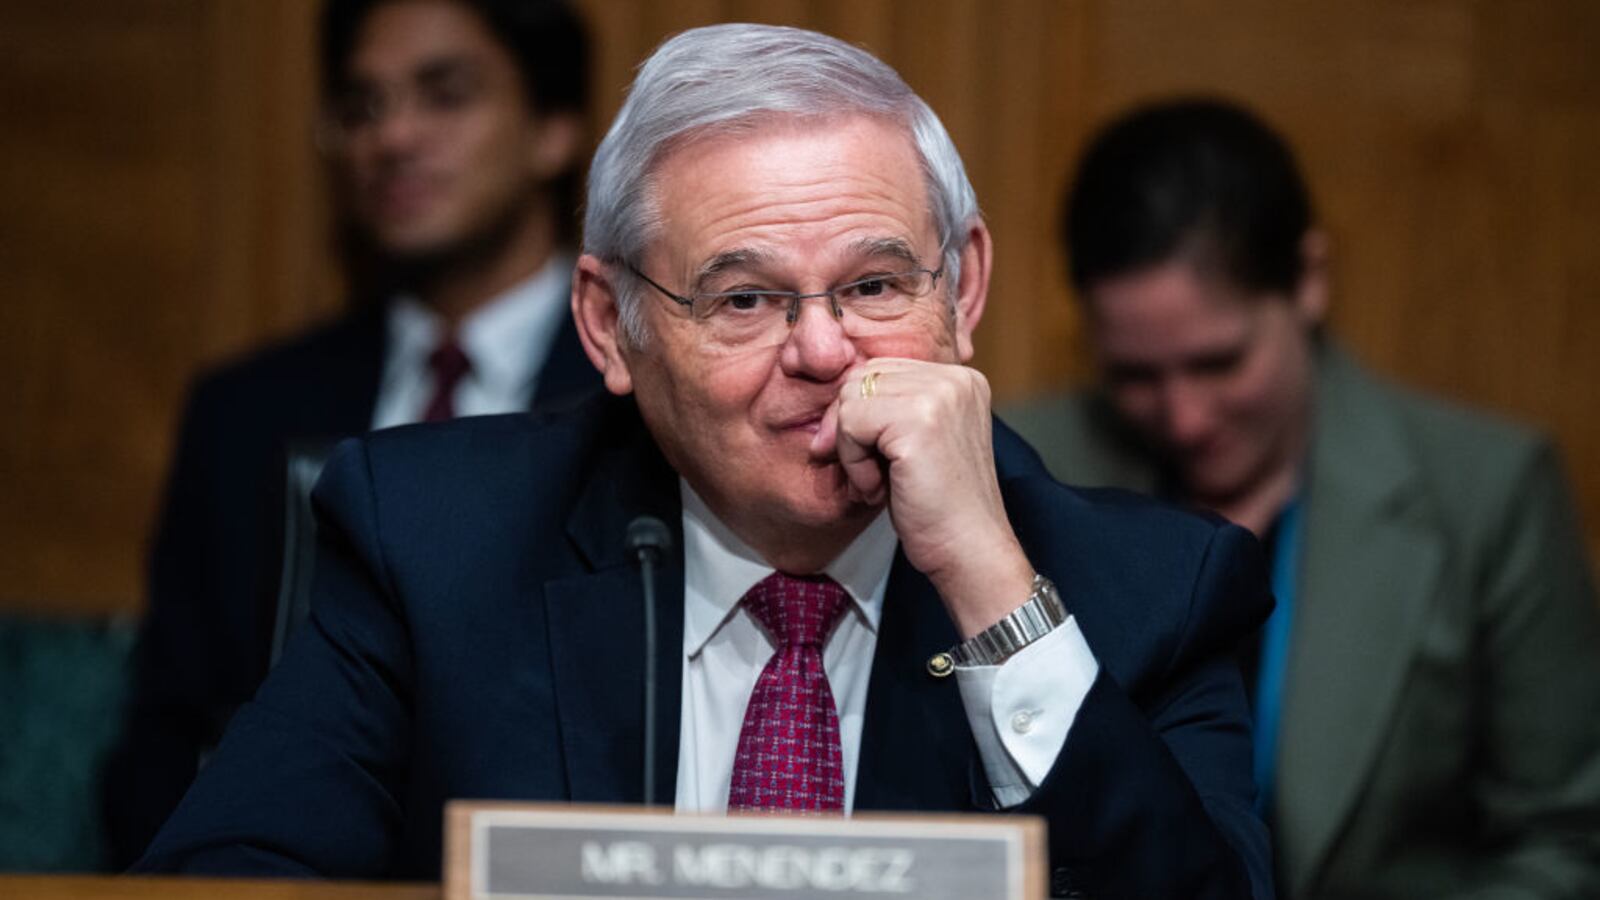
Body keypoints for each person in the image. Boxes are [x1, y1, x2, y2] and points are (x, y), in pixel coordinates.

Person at [136, 26, 1275, 898]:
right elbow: (229, 877)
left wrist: (989, 585)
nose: (825, 352)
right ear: (608, 326)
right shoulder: (435, 542)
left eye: (875, 286)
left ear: (962, 288)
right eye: (743, 299)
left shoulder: (1152, 592)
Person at [1004, 98, 1600, 898]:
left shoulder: (1488, 492)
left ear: (1309, 282)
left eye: (1219, 363)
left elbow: (1565, 840)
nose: (1184, 417)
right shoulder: (1024, 470)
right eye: (1136, 377)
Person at [103, 0, 596, 868]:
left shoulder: (636, 396)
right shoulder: (246, 411)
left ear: (553, 130)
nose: (393, 136)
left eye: (445, 94)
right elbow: (170, 727)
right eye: (362, 106)